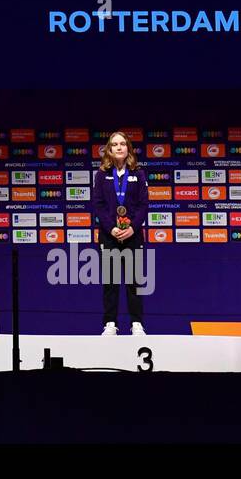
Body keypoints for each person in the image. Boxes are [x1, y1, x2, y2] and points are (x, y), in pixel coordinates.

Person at [92, 132, 149, 335]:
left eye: (122, 144)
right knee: (111, 281)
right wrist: (111, 228)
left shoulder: (138, 174)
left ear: (128, 148)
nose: (119, 147)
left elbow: (144, 205)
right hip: (110, 235)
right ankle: (110, 323)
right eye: (114, 144)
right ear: (109, 149)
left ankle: (136, 323)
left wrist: (132, 227)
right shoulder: (101, 175)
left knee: (134, 281)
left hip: (133, 235)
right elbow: (97, 205)